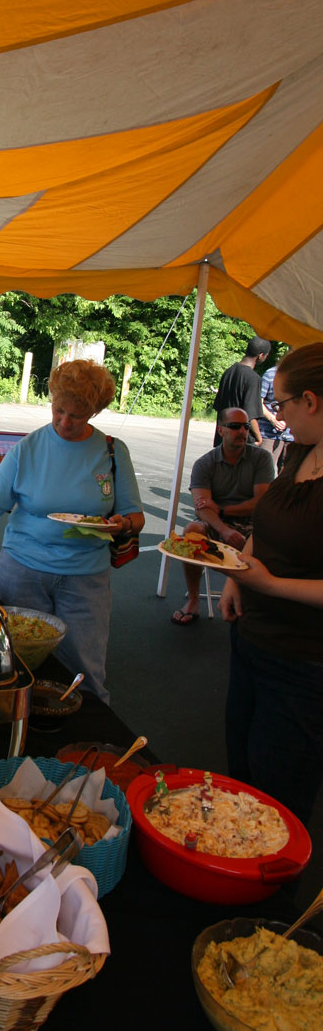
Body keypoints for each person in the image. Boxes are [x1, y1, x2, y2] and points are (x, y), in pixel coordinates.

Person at [0, 359, 144, 703]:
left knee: (85, 666)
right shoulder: (27, 450)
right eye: (58, 410)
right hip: (24, 570)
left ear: (94, 411)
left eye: (76, 415)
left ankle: (87, 730)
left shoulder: (112, 452)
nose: (64, 421)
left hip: (85, 577)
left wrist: (122, 523)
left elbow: (135, 515)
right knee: (24, 661)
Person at [219, 342, 323, 827]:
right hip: (254, 637)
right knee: (239, 763)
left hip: (306, 659)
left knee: (279, 788)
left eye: (279, 404)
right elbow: (270, 520)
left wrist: (272, 584)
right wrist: (241, 574)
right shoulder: (301, 451)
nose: (276, 415)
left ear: (311, 401)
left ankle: (273, 899)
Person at [170, 406, 274, 625]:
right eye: (234, 426)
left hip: (253, 524)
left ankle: (258, 602)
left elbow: (261, 504)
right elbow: (202, 509)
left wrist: (223, 509)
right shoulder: (205, 463)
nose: (242, 432)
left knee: (274, 535)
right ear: (221, 431)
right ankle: (194, 601)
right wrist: (224, 529)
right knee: (192, 532)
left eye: (245, 427)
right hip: (218, 524)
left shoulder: (261, 458)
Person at [212, 336, 271, 447]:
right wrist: (258, 438)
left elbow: (219, 407)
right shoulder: (253, 378)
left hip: (223, 438)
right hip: (240, 441)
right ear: (261, 355)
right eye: (266, 355)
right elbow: (250, 414)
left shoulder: (228, 372)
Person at [257, 360, 293, 470]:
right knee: (264, 470)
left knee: (288, 474)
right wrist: (273, 419)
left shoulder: (302, 378)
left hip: (292, 435)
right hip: (268, 433)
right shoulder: (270, 374)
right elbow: (258, 401)